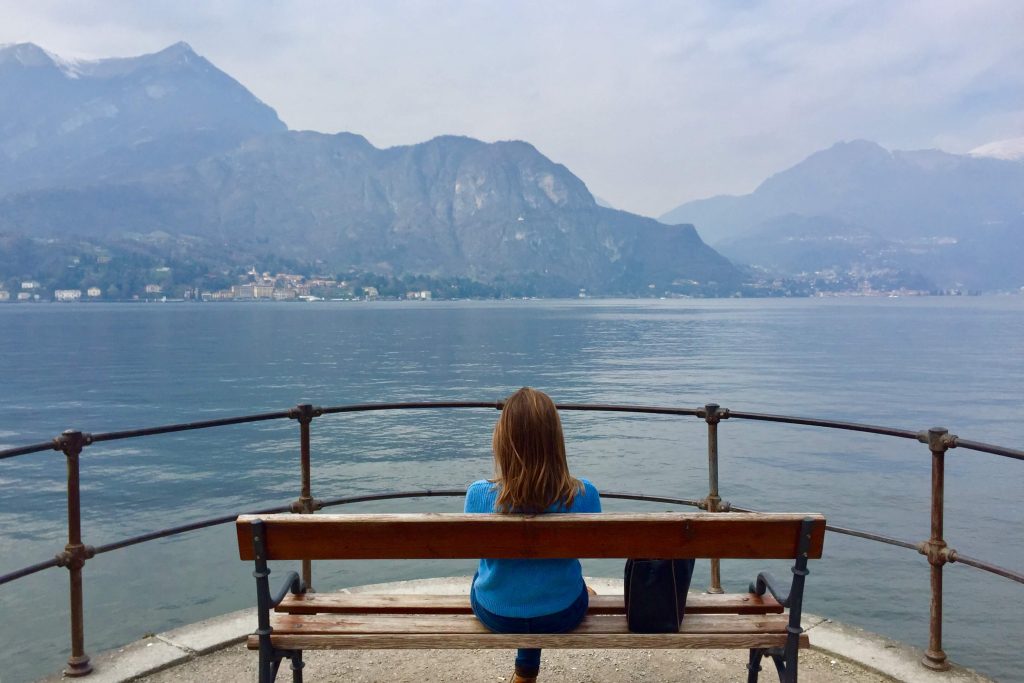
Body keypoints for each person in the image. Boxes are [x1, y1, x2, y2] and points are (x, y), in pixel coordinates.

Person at [464, 387, 601, 683]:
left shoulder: (479, 495)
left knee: (489, 575)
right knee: (553, 577)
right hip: (563, 612)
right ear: (555, 440)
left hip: (496, 613)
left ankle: (526, 670)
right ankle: (527, 667)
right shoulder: (584, 494)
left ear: (503, 439)